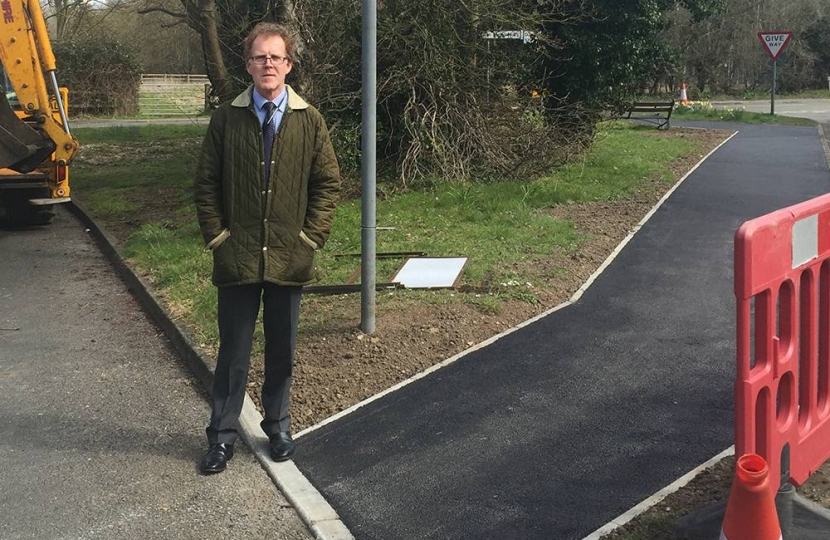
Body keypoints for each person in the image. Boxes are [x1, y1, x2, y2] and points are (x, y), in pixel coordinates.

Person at [193, 22, 341, 474]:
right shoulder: (226, 118)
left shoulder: (308, 120)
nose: (268, 64)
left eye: (276, 57)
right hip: (237, 257)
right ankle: (221, 437)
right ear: (248, 65)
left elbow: (328, 184)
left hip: (287, 257)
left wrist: (309, 238)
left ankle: (277, 426)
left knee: (281, 349)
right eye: (260, 57)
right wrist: (219, 237)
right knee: (233, 353)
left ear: (289, 65)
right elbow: (206, 184)